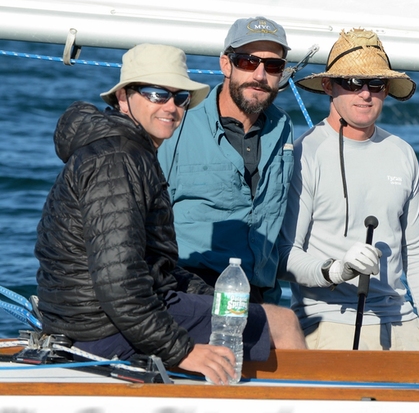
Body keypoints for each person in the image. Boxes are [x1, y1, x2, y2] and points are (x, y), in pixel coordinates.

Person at [35, 44, 305, 385]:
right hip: (103, 328)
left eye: (180, 98)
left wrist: (208, 295)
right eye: (156, 94)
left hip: (88, 318)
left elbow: (144, 265)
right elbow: (119, 282)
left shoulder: (126, 150)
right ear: (123, 98)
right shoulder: (118, 160)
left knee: (245, 311)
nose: (171, 107)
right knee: (282, 324)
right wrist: (184, 351)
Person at [278, 28, 419, 351]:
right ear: (329, 86)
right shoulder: (306, 153)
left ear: (386, 90)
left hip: (403, 321)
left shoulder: (402, 153)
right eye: (353, 82)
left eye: (376, 84)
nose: (365, 93)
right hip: (329, 322)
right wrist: (336, 269)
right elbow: (285, 255)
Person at [158, 16, 295, 305]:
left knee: (289, 333)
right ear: (225, 64)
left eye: (273, 66)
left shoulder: (283, 127)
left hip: (258, 294)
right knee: (288, 330)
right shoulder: (179, 123)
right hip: (187, 289)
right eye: (247, 61)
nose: (260, 75)